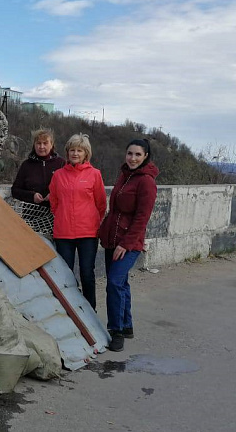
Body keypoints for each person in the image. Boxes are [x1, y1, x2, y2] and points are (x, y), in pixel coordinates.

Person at [98, 139, 159, 352]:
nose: (133, 158)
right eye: (130, 153)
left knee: (114, 283)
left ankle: (116, 331)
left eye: (138, 155)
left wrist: (126, 243)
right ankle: (127, 325)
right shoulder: (124, 175)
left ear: (145, 157)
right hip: (111, 238)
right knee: (121, 283)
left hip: (129, 243)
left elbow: (142, 218)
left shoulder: (146, 182)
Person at [48, 134, 107, 310]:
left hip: (88, 232)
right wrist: (62, 216)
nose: (75, 153)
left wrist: (92, 221)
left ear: (85, 153)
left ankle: (90, 309)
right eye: (72, 150)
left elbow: (101, 203)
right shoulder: (58, 175)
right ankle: (71, 309)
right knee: (66, 274)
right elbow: (54, 202)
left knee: (87, 272)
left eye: (79, 150)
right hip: (64, 232)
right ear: (67, 152)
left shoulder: (95, 174)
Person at [11, 128, 65, 206]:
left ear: (51, 144)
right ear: (34, 145)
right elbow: (15, 190)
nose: (41, 147)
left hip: (56, 213)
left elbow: (70, 188)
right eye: (38, 143)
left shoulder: (61, 163)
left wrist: (55, 195)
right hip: (31, 214)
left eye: (45, 143)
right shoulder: (26, 165)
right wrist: (32, 196)